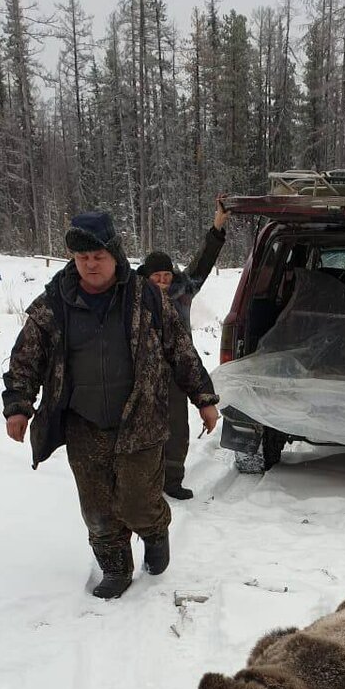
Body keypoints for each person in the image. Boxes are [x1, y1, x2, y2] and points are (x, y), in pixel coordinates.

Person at [2, 210, 220, 599]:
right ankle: (116, 569)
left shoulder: (146, 297)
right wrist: (18, 403)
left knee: (137, 501)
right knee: (97, 508)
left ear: (115, 254)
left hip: (140, 418)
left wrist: (204, 398)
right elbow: (26, 356)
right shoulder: (55, 302)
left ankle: (154, 530)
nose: (89, 264)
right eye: (81, 257)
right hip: (83, 420)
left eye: (97, 256)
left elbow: (181, 351)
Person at [138, 195, 230, 499]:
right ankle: (144, 482)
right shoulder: (133, 299)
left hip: (178, 373)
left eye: (166, 276)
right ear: (146, 277)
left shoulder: (182, 293)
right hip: (142, 375)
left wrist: (218, 226)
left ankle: (172, 480)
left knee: (176, 430)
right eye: (157, 277)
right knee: (143, 430)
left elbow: (204, 262)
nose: (163, 282)